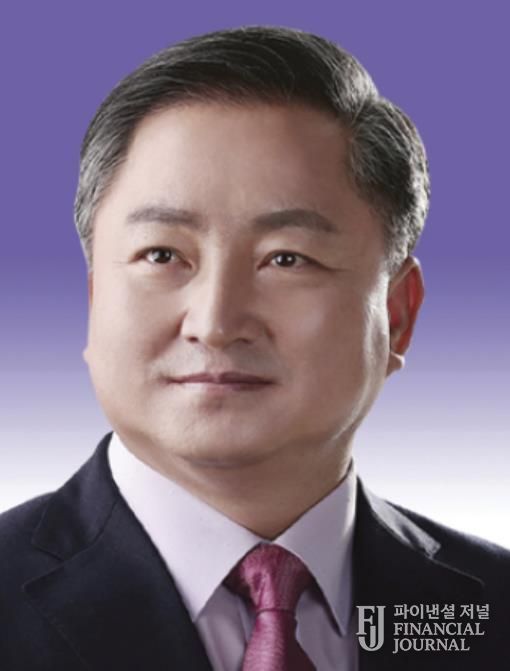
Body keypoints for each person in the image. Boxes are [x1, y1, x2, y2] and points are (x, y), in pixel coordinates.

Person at [1, 26, 508, 670]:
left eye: (286, 259)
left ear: (398, 315)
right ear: (95, 299)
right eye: (162, 255)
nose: (215, 323)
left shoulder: (491, 609)